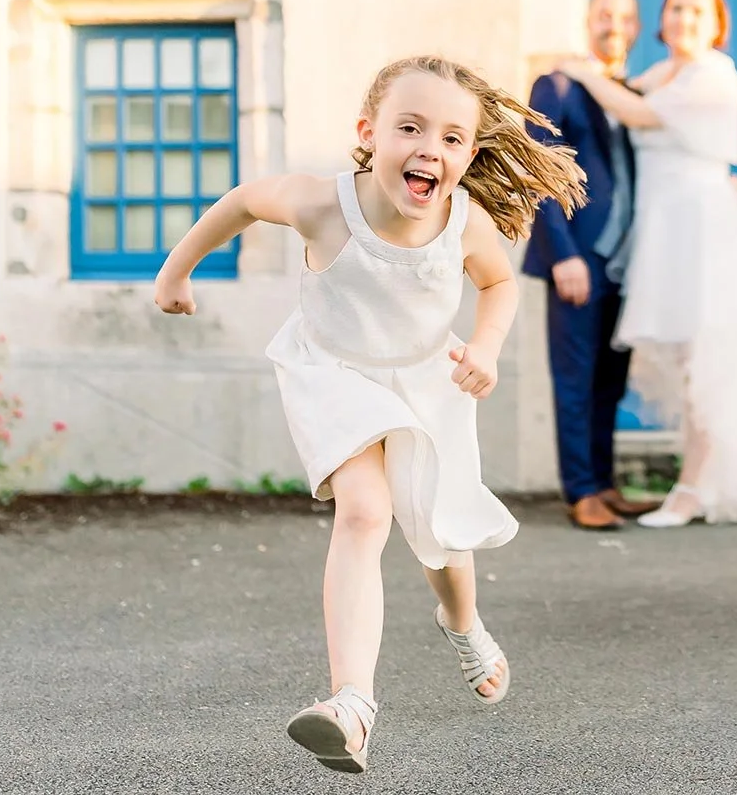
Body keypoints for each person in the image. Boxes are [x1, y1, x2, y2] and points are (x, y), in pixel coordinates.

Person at [153, 56, 587, 771]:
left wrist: (486, 344)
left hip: (427, 376)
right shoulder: (323, 204)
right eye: (409, 128)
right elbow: (239, 202)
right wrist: (176, 272)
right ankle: (350, 704)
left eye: (451, 139)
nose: (430, 149)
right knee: (364, 511)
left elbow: (500, 281)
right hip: (333, 373)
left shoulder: (464, 222)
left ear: (469, 156)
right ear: (368, 132)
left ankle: (462, 620)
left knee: (441, 538)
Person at [562, 0, 737, 528]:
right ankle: (701, 481)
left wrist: (582, 72)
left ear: (717, 25)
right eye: (675, 8)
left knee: (707, 362)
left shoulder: (714, 75)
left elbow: (638, 114)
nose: (684, 18)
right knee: (694, 363)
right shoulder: (657, 75)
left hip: (703, 233)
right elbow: (628, 101)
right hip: (667, 231)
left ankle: (693, 489)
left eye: (697, 11)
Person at [522, 0, 660, 530]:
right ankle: (580, 490)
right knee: (575, 376)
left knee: (610, 379)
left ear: (636, 27)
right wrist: (563, 254)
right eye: (604, 14)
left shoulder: (635, 94)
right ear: (588, 21)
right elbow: (538, 168)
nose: (614, 24)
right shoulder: (555, 85)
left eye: (625, 16)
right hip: (579, 258)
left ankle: (604, 483)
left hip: (630, 261)